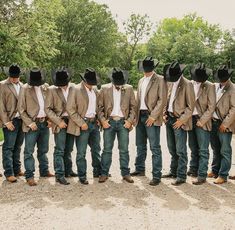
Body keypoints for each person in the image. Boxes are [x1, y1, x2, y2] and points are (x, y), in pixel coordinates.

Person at [131, 56, 167, 186]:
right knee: (140, 145)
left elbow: (162, 100)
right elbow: (138, 99)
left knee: (155, 147)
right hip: (140, 116)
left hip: (151, 116)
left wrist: (153, 116)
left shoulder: (161, 79)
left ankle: (157, 175)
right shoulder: (141, 80)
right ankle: (140, 169)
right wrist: (135, 116)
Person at [98, 68, 136, 183]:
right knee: (107, 150)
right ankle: (104, 173)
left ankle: (125, 173)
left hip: (123, 123)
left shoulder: (129, 89)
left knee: (124, 149)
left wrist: (129, 121)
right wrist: (103, 121)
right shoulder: (104, 88)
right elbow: (99, 107)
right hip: (109, 122)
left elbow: (134, 107)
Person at [18, 68, 54, 186]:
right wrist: (29, 123)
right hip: (32, 125)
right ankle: (30, 176)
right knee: (29, 151)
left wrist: (49, 120)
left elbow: (50, 105)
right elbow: (21, 109)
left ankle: (44, 171)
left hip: (44, 123)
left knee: (43, 150)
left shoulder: (45, 87)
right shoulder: (24, 88)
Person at [162, 61, 195, 186]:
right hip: (169, 119)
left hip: (179, 120)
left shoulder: (187, 84)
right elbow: (168, 99)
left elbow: (190, 107)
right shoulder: (170, 82)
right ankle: (173, 171)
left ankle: (181, 176)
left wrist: (182, 120)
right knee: (172, 148)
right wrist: (164, 114)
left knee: (181, 150)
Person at [67, 68, 101, 185]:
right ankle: (82, 175)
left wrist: (98, 120)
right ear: (84, 80)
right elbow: (70, 109)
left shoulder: (95, 90)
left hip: (94, 124)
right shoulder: (75, 89)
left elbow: (98, 107)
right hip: (83, 124)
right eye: (90, 82)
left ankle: (97, 172)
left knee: (96, 150)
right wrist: (81, 123)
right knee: (81, 152)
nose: (92, 85)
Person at [45, 68, 77, 185]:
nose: (62, 86)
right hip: (59, 122)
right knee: (59, 149)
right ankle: (59, 174)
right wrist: (58, 121)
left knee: (69, 148)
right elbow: (47, 109)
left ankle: (68, 170)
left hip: (72, 121)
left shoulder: (74, 87)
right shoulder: (51, 90)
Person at [187, 63, 216, 185]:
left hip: (202, 120)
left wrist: (202, 120)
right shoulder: (189, 83)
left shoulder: (210, 86)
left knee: (203, 149)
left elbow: (211, 106)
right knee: (193, 146)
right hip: (189, 118)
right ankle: (193, 169)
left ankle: (202, 174)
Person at [208, 65, 235, 184]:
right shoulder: (216, 86)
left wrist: (226, 124)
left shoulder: (233, 88)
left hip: (224, 123)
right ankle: (215, 170)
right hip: (213, 121)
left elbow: (234, 108)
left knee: (225, 150)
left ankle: (223, 174)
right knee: (215, 148)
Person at [0, 64, 24, 182]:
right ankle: (9, 173)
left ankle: (17, 169)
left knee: (18, 146)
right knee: (8, 147)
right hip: (10, 120)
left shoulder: (22, 86)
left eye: (16, 77)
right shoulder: (2, 85)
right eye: (12, 77)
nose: (14, 79)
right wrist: (6, 121)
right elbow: (1, 106)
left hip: (21, 120)